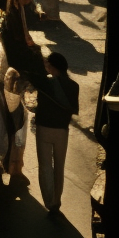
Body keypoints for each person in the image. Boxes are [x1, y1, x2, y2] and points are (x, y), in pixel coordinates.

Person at [34, 52, 79, 216]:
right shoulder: (74, 86)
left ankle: (50, 202)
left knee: (46, 166)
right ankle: (57, 201)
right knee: (59, 167)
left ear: (52, 67)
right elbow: (73, 109)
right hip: (62, 130)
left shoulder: (45, 83)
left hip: (44, 129)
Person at [1, 0, 48, 82]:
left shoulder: (22, 7)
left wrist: (39, 13)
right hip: (16, 47)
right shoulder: (13, 15)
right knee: (35, 57)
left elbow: (34, 6)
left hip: (21, 42)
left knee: (38, 53)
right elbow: (19, 36)